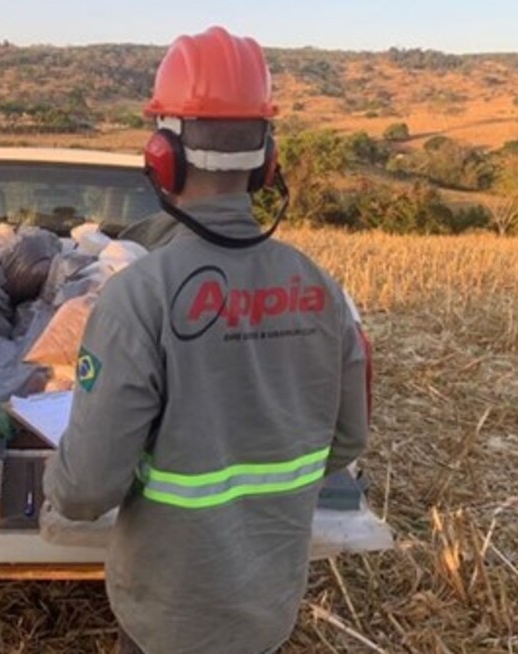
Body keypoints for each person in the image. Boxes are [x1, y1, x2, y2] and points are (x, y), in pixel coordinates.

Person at [43, 26, 371, 654]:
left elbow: (85, 491)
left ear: (161, 154)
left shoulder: (139, 296)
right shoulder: (321, 289)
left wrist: (52, 487)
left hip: (168, 618)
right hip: (267, 613)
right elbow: (347, 441)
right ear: (268, 160)